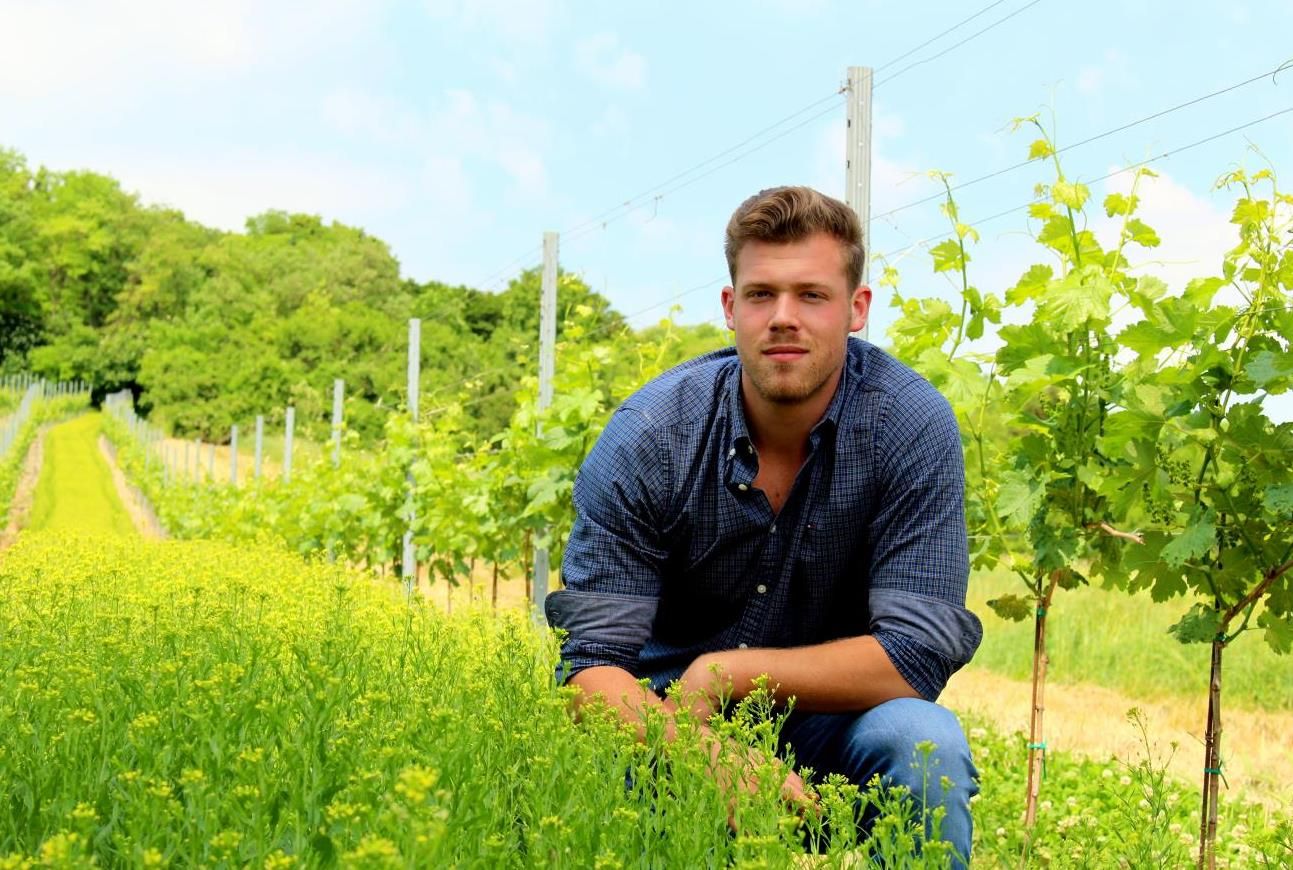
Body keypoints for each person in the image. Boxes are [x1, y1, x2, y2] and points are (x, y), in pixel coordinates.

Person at [545, 185, 982, 865]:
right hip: (663, 720)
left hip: (831, 721)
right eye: (760, 295)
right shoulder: (650, 437)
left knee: (924, 745)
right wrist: (694, 750)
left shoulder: (907, 425)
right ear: (729, 308)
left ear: (855, 309)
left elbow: (916, 650)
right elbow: (591, 667)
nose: (783, 318)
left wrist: (727, 673)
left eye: (811, 295)